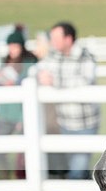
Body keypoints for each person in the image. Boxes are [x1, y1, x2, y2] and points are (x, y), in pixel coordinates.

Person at [37, 21, 101, 180]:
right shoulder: (54, 55)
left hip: (85, 123)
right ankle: (84, 190)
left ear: (68, 39)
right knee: (75, 164)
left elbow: (84, 81)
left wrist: (54, 82)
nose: (52, 42)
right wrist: (40, 76)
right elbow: (39, 71)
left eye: (56, 38)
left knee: (77, 167)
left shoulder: (85, 56)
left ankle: (75, 190)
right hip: (64, 122)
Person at [0, 26, 38, 178]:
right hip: (5, 114)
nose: (12, 49)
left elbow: (29, 84)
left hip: (23, 114)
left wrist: (15, 83)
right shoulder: (5, 63)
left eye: (15, 46)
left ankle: (23, 179)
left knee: (24, 153)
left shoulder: (29, 63)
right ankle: (5, 175)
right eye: (10, 46)